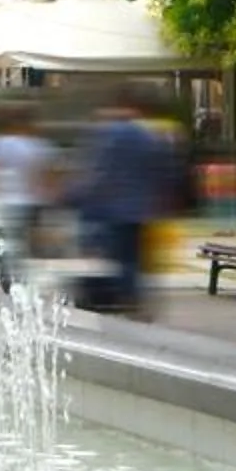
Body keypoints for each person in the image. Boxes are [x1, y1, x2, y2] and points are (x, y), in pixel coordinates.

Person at [73, 84, 180, 317]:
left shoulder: (109, 133)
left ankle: (122, 299)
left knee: (114, 257)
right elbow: (162, 169)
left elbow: (100, 171)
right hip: (139, 209)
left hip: (112, 208)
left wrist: (81, 197)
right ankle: (132, 299)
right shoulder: (146, 135)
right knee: (132, 258)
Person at [0, 100, 60, 289]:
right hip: (28, 203)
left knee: (2, 243)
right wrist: (49, 200)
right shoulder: (38, 146)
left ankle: (8, 280)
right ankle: (19, 281)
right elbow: (46, 177)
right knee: (22, 244)